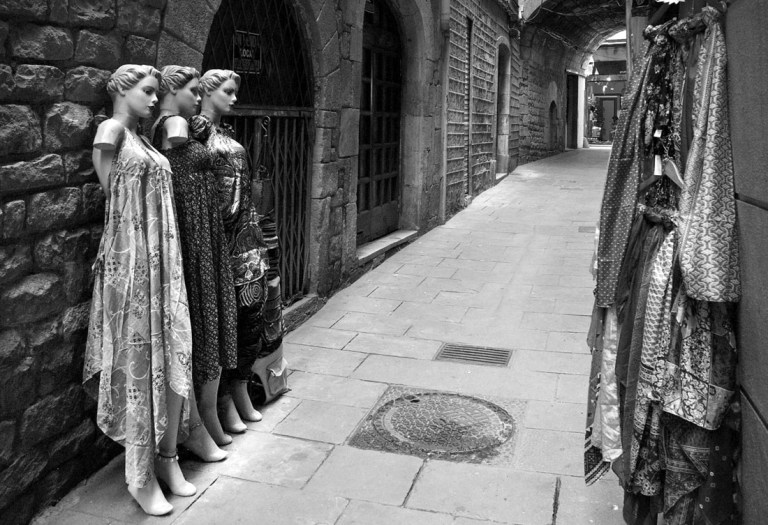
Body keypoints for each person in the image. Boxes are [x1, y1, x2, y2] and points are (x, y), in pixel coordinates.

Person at [84, 64, 195, 516]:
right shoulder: (111, 132)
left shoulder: (142, 139)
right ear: (121, 90)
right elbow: (115, 201)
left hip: (162, 259)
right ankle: (139, 473)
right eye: (147, 91)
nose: (154, 99)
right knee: (139, 361)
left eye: (156, 92)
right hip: (133, 263)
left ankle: (167, 457)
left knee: (174, 348)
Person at [150, 65, 238, 453]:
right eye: (192, 90)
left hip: (202, 226)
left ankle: (209, 413)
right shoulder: (174, 126)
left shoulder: (179, 126)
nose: (198, 98)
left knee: (211, 312)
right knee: (203, 314)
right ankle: (199, 421)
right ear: (172, 90)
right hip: (192, 229)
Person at [190, 69, 268, 432]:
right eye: (228, 91)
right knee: (225, 321)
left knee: (252, 315)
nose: (235, 98)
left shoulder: (225, 133)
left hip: (247, 236)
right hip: (221, 238)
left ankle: (239, 388)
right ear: (208, 91)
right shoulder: (195, 132)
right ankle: (221, 400)